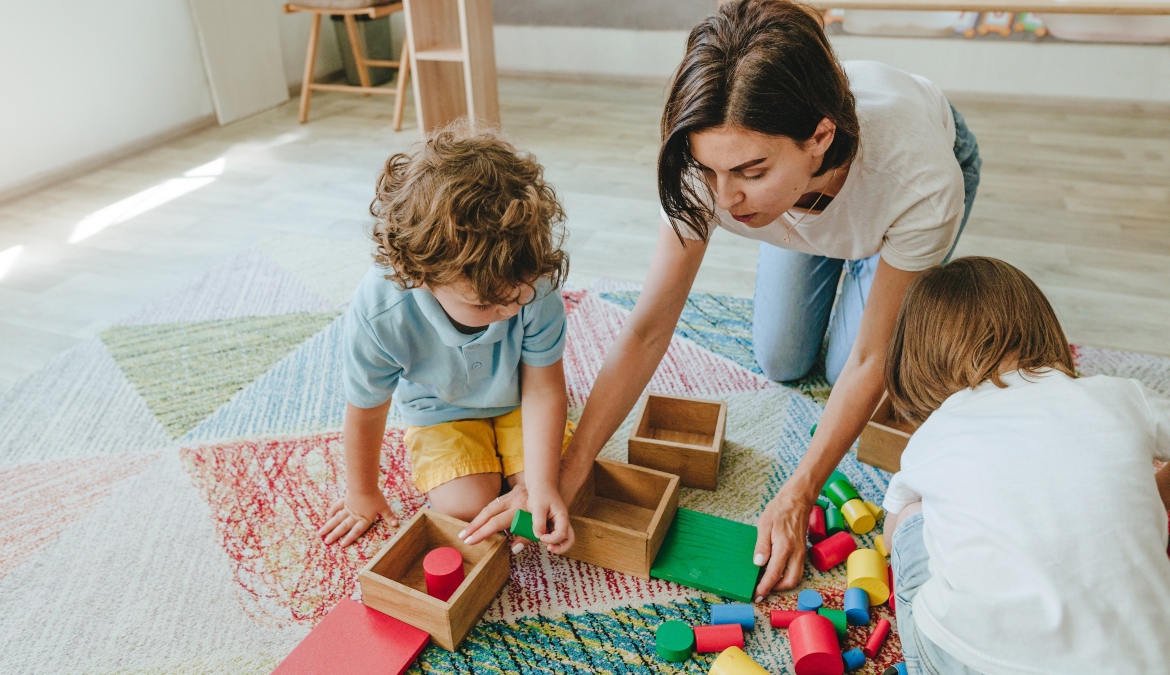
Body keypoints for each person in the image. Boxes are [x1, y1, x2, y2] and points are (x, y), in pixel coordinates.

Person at [463, 0, 981, 602]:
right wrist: (567, 469)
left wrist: (798, 492)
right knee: (783, 358)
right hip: (801, 199)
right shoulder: (707, 168)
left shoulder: (920, 180)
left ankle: (843, 239)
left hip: (887, 189)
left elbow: (869, 362)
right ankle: (806, 224)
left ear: (818, 138)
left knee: (849, 370)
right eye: (711, 173)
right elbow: (648, 329)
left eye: (749, 171)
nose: (726, 199)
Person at [880, 257, 1170, 674]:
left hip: (968, 659)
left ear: (920, 361)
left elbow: (894, 538)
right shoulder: (1120, 394)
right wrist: (1157, 491)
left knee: (911, 515)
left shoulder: (935, 433)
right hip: (1142, 660)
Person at [319, 124, 576, 555]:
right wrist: (361, 493)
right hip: (439, 410)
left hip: (520, 400)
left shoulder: (533, 282)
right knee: (467, 507)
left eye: (518, 296)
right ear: (422, 276)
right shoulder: (382, 311)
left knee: (550, 495)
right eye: (486, 306)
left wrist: (544, 484)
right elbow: (366, 407)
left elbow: (544, 387)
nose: (510, 310)